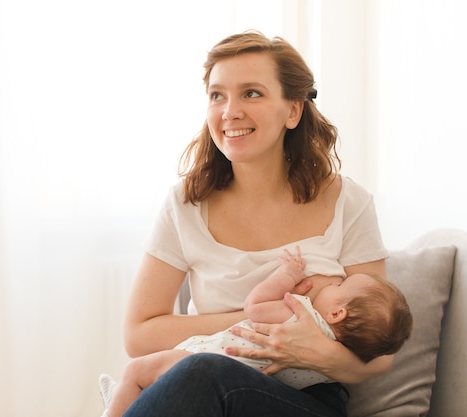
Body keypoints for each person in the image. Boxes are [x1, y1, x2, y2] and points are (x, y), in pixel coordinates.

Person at [114, 29, 396, 416]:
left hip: (305, 400)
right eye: (217, 95)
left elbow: (381, 356)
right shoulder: (185, 203)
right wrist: (260, 320)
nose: (230, 111)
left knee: (202, 372)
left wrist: (312, 350)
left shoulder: (349, 203)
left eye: (251, 93)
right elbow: (139, 334)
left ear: (293, 110)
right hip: (205, 383)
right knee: (200, 370)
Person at [99, 248, 412, 417]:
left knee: (146, 372)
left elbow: (256, 307)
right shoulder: (331, 358)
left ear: (337, 313)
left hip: (218, 362)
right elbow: (138, 335)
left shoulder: (301, 318)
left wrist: (287, 276)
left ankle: (124, 402)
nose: (333, 283)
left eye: (340, 285)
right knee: (192, 374)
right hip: (232, 376)